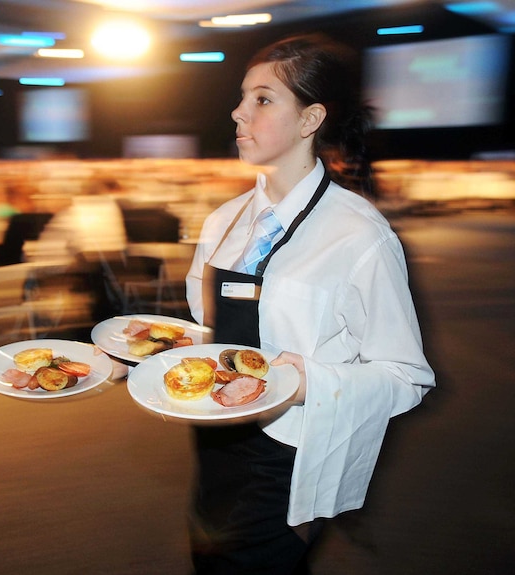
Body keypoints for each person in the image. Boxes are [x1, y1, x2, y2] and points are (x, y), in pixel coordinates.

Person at [184, 34, 436, 573]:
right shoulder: (220, 221)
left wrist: (308, 381)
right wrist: (148, 356)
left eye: (262, 99)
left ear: (310, 118)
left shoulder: (358, 235)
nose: (238, 112)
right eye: (242, 97)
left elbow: (406, 374)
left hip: (287, 455)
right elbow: (208, 330)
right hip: (211, 441)